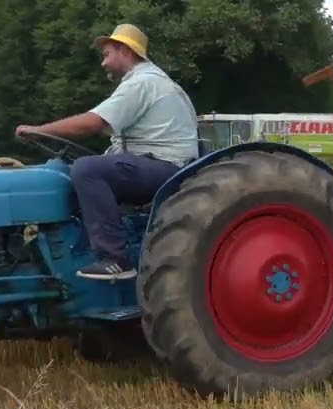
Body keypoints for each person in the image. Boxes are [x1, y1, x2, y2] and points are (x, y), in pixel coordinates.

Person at [15, 23, 200, 281]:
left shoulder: (143, 82)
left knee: (87, 169)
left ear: (125, 50)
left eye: (107, 54)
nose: (103, 63)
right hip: (159, 164)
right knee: (72, 170)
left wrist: (39, 129)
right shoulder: (152, 81)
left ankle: (115, 260)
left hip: (165, 168)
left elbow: (94, 122)